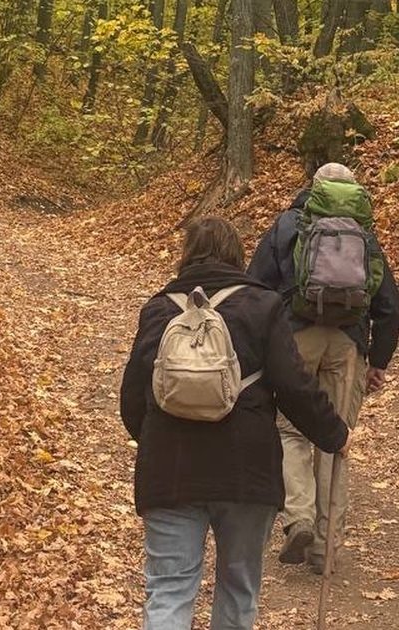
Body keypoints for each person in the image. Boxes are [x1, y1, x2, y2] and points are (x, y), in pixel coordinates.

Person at [120, 217, 353, 630]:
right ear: (237, 256)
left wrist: (161, 437)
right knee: (238, 587)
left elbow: (132, 401)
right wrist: (333, 434)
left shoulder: (157, 309)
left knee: (170, 589)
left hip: (169, 472)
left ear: (186, 256)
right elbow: (294, 386)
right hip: (247, 470)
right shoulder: (263, 306)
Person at [247, 162, 399, 575]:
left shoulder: (287, 225)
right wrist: (379, 361)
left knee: (289, 430)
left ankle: (297, 518)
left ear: (312, 190)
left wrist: (260, 344)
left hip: (294, 339)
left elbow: (255, 285)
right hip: (348, 345)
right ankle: (325, 546)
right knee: (336, 439)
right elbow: (389, 305)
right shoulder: (364, 234)